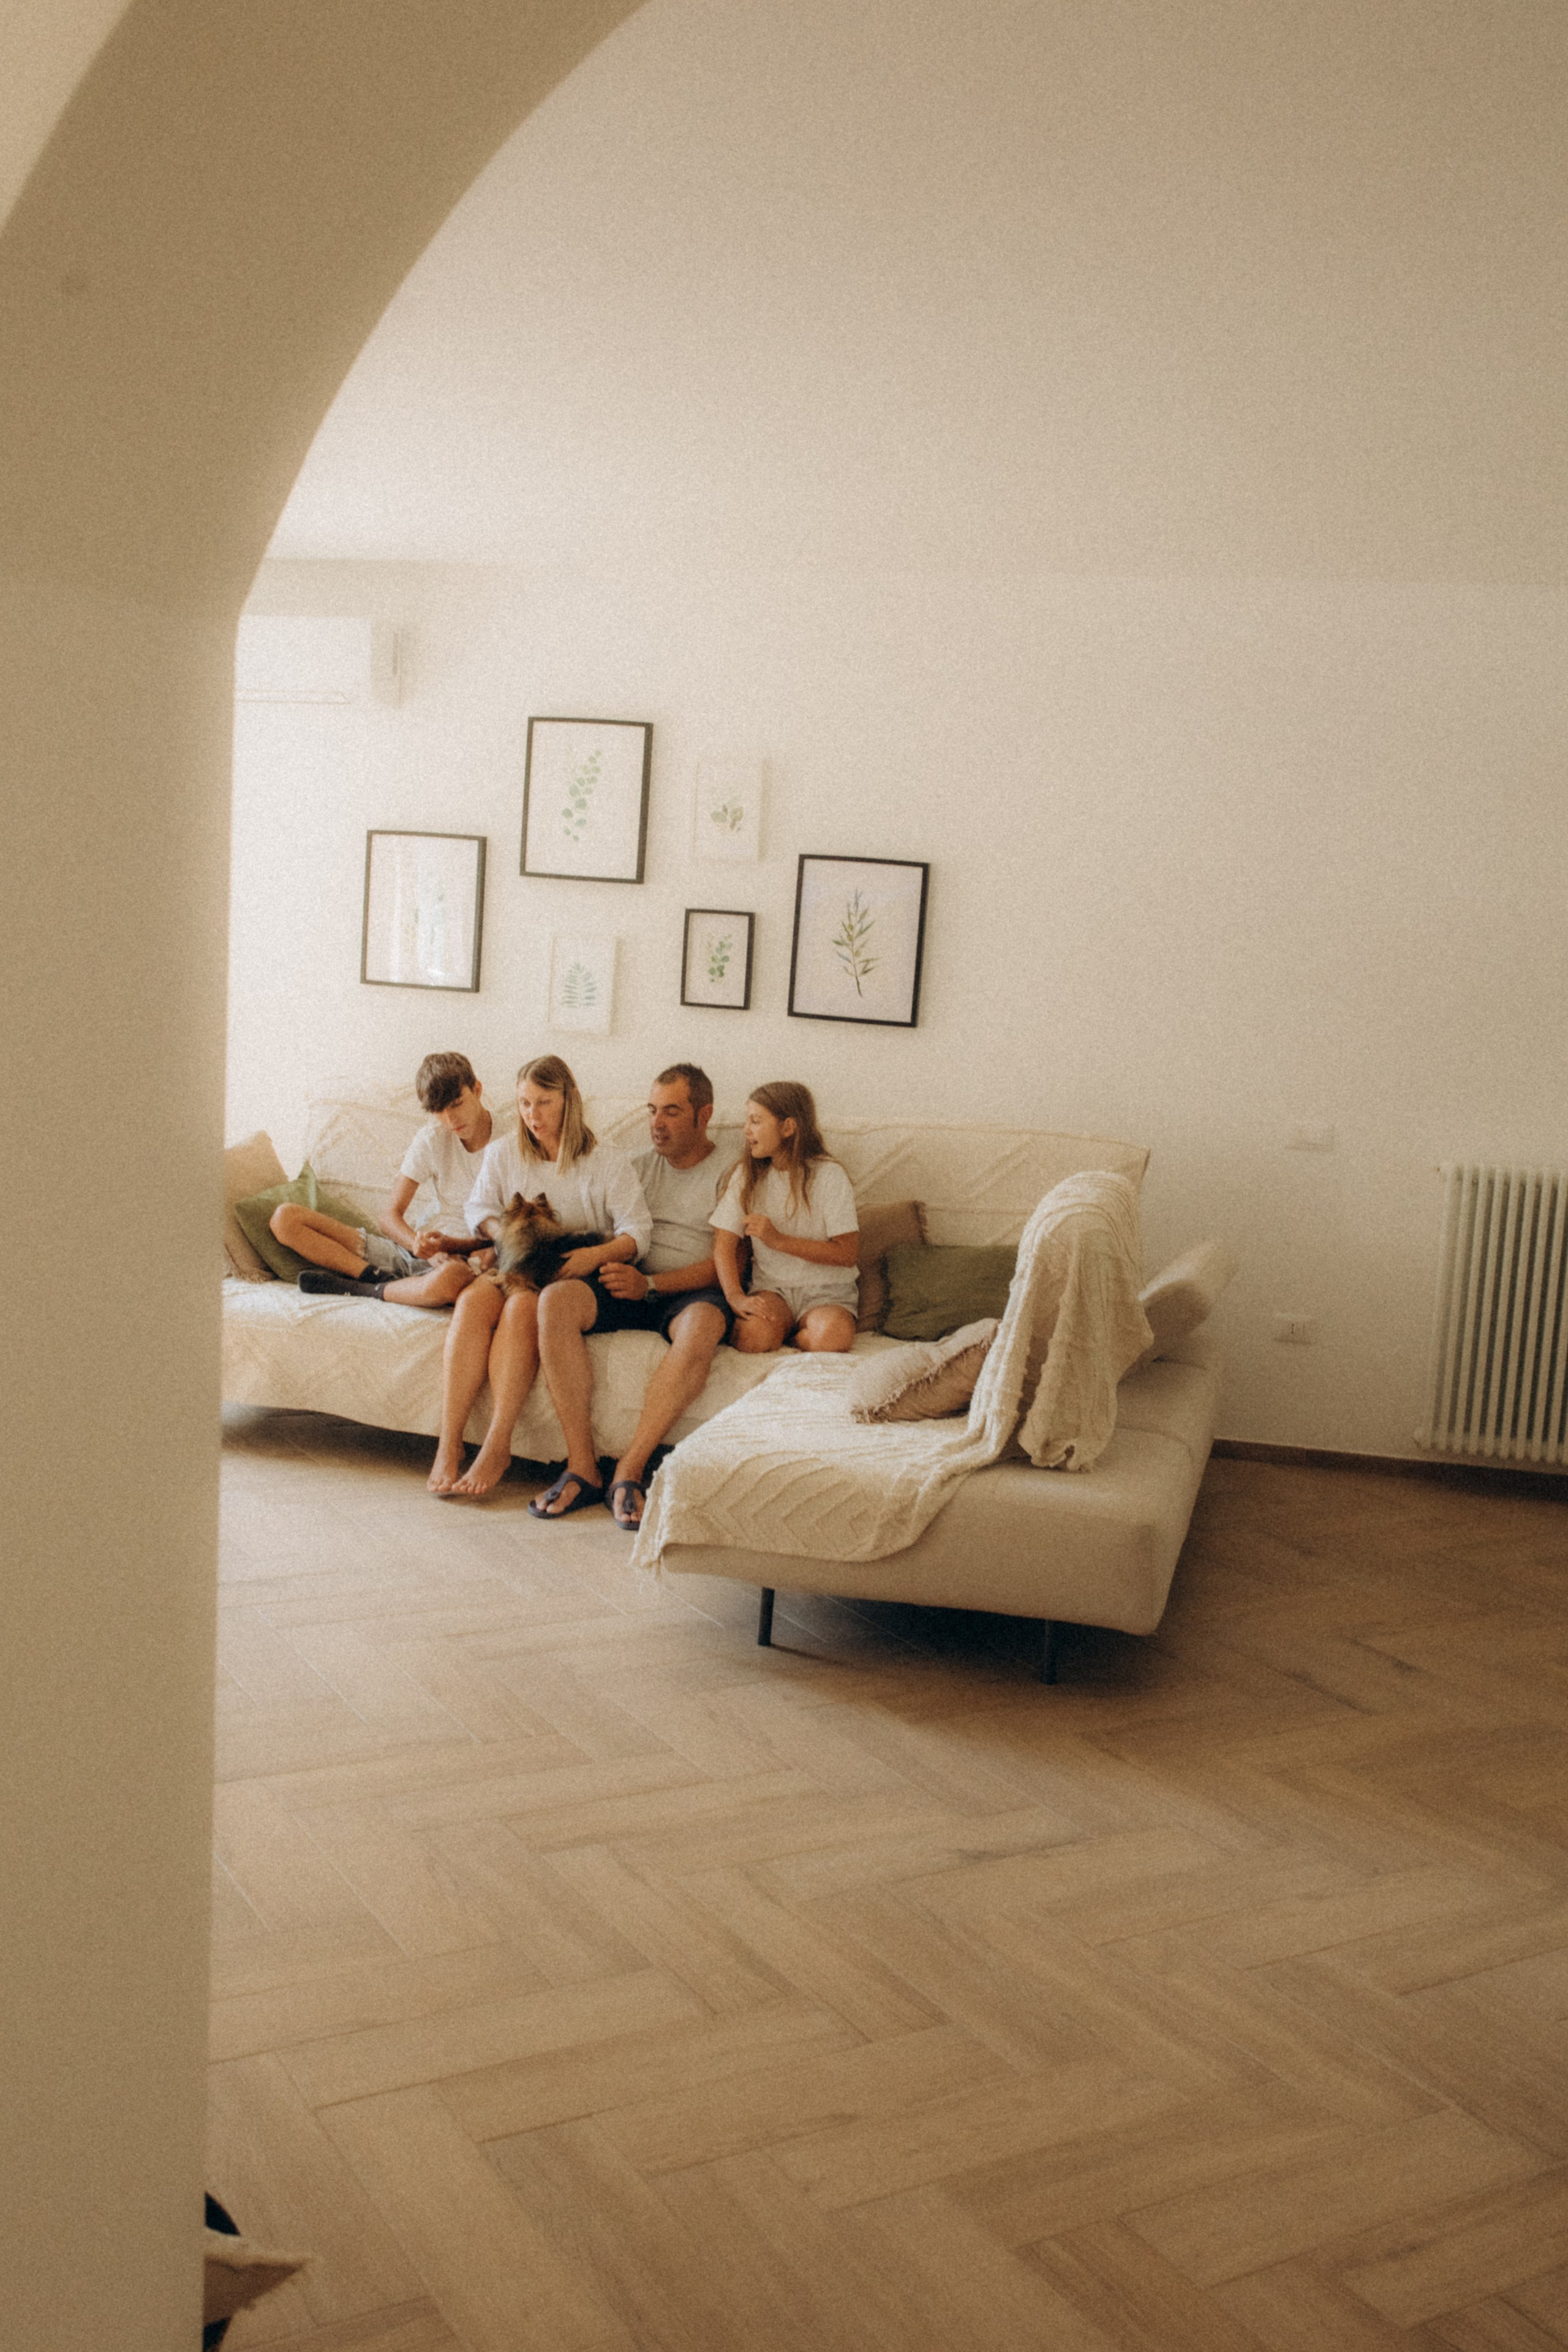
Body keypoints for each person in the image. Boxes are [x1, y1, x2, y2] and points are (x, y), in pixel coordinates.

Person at [428, 1054, 651, 1500]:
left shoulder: (605, 1159)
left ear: (569, 1101)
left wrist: (594, 1256)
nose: (533, 1116)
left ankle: (497, 1444)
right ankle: (449, 1443)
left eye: (544, 1103)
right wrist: (503, 1236)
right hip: (516, 1263)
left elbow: (638, 1232)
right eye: (525, 1104)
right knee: (473, 1301)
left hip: (571, 1271)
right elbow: (478, 1209)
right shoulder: (505, 1152)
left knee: (523, 1306)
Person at [533, 1063, 734, 1532]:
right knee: (555, 1302)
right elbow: (611, 1230)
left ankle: (630, 1469)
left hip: (691, 1289)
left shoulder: (732, 1171)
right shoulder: (634, 1165)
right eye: (651, 1111)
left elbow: (732, 1264)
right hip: (629, 1279)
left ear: (703, 1116)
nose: (656, 1124)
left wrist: (654, 1286)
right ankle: (582, 1466)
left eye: (671, 1112)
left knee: (704, 1325)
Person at [270, 1050, 496, 1306]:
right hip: (410, 1252)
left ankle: (364, 1289)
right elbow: (389, 1216)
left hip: (459, 1262)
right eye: (439, 1111)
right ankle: (376, 1278)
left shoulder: (512, 1142)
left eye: (457, 1104)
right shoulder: (432, 1138)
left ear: (477, 1090)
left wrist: (451, 1250)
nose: (450, 1119)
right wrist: (417, 1246)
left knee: (449, 1280)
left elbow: (505, 1234)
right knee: (285, 1219)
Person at [711, 1081, 859, 1355]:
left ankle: (795, 1338)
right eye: (748, 1120)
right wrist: (736, 1298)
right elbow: (724, 1246)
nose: (746, 1130)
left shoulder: (829, 1176)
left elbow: (847, 1253)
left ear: (788, 1128)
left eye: (756, 1121)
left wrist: (778, 1241)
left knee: (832, 1338)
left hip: (828, 1293)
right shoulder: (747, 1177)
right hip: (773, 1290)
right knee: (753, 1339)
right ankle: (787, 1330)